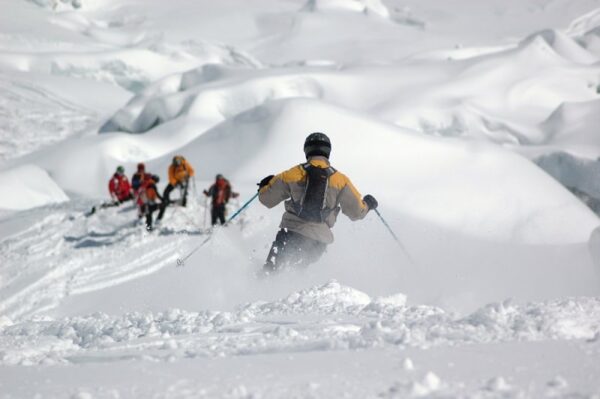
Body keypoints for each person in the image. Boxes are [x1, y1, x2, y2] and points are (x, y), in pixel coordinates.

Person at [257, 132, 378, 273]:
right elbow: (357, 213)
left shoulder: (293, 173)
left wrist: (264, 186)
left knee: (271, 273)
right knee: (294, 278)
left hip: (290, 234)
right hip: (318, 242)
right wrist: (368, 204)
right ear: (328, 151)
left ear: (307, 150)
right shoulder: (341, 180)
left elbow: (266, 199)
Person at [157, 155, 195, 221]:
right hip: (176, 181)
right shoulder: (171, 167)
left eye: (178, 161)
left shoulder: (185, 164)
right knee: (166, 191)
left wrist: (188, 175)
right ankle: (167, 201)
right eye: (175, 162)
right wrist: (176, 183)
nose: (177, 163)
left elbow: (192, 171)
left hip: (185, 180)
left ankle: (184, 203)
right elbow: (171, 176)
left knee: (184, 193)